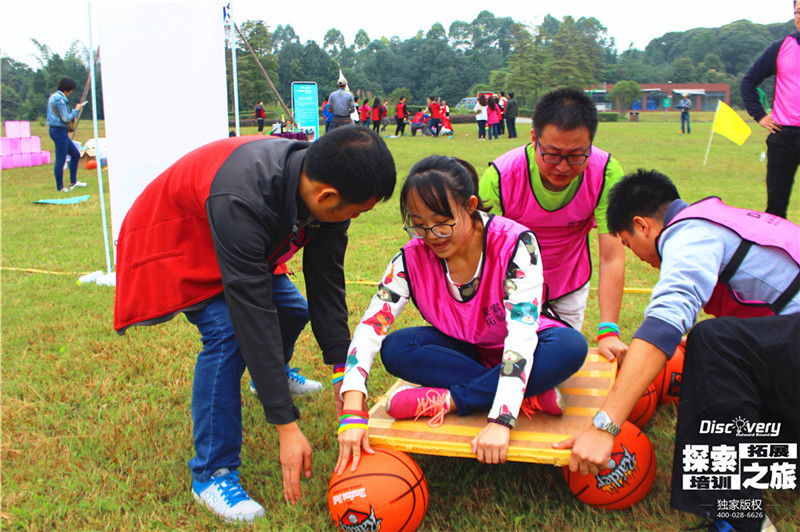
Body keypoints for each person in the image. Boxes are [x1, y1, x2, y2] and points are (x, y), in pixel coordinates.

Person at [113, 127, 396, 523]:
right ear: (327, 197)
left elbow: (326, 282)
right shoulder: (243, 195)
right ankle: (212, 473)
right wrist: (285, 424)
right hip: (181, 239)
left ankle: (269, 378)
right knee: (228, 334)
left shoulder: (321, 189)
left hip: (236, 240)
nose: (354, 219)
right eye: (356, 211)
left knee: (293, 309)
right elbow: (251, 309)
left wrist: (341, 374)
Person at [558, 169, 799, 532]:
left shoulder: (689, 233)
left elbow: (665, 322)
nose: (636, 256)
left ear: (642, 226)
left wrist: (603, 427)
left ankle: (740, 519)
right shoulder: (721, 217)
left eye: (627, 244)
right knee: (716, 348)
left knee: (713, 341)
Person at [335, 155, 588, 473]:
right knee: (398, 347)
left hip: (528, 345)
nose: (431, 237)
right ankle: (531, 394)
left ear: (470, 206)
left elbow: (522, 335)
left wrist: (501, 418)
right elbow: (371, 327)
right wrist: (353, 410)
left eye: (442, 223)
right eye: (419, 225)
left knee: (569, 347)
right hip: (468, 351)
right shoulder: (411, 259)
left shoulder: (516, 244)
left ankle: (454, 400)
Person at [479, 87, 628, 362]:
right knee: (509, 359)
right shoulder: (499, 178)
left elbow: (611, 256)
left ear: (591, 144)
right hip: (511, 287)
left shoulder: (606, 173)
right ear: (534, 138)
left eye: (576, 156)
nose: (562, 167)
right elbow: (487, 260)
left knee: (559, 358)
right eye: (553, 154)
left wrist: (609, 331)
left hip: (568, 283)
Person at [741, 4, 800, 220]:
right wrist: (760, 115)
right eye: (798, 11)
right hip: (784, 137)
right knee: (776, 206)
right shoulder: (782, 46)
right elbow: (749, 81)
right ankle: (776, 253)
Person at [46, 77, 88, 192]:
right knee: (60, 159)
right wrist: (76, 110)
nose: (71, 92)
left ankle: (73, 182)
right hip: (59, 131)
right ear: (66, 89)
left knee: (75, 154)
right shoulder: (60, 99)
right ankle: (60, 187)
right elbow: (66, 118)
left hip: (57, 131)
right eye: (71, 90)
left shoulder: (53, 96)